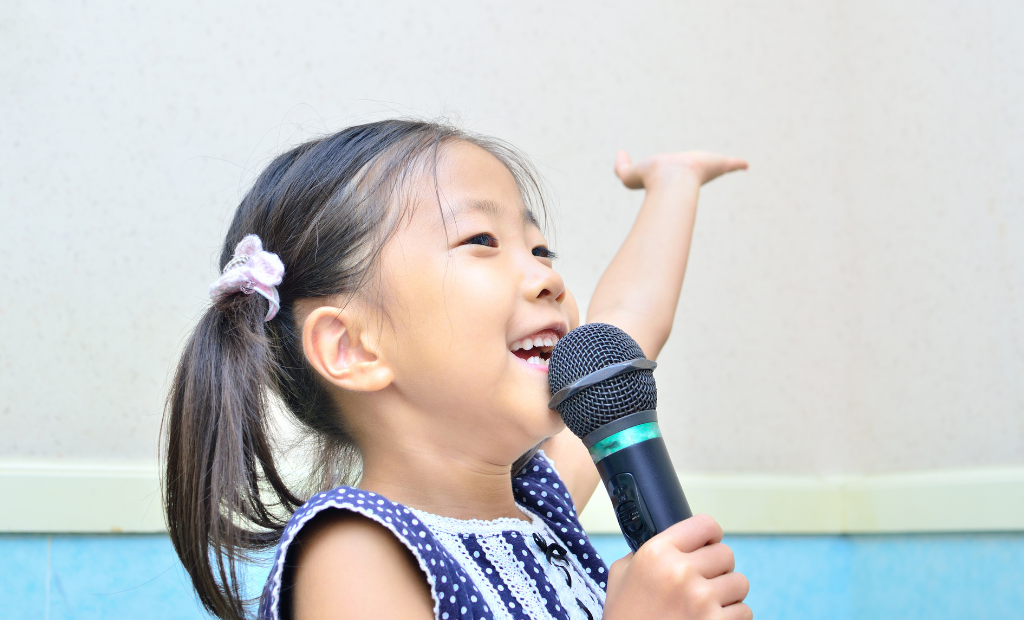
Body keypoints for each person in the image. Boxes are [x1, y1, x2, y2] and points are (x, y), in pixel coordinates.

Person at [163, 119, 750, 620]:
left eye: (541, 249)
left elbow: (630, 320)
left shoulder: (540, 506)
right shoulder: (354, 551)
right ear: (353, 347)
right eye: (481, 240)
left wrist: (674, 186)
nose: (550, 279)